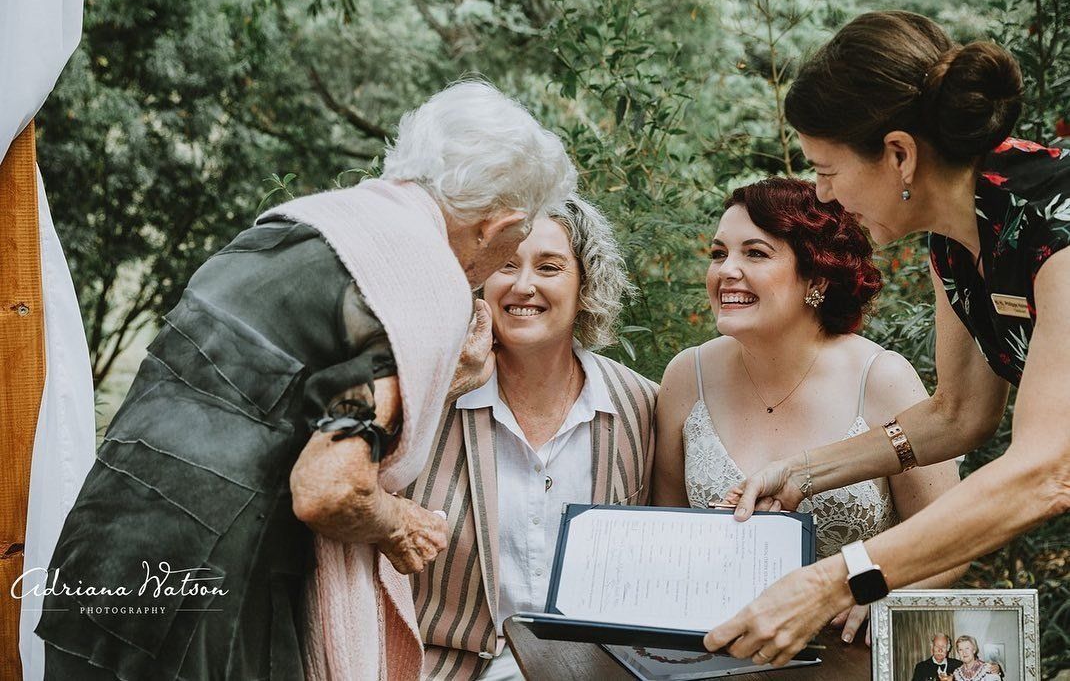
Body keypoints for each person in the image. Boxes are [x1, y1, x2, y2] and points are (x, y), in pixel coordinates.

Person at [35, 81, 576, 681]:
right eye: (512, 245)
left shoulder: (301, 226)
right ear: (494, 225)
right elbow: (328, 490)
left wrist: (440, 378)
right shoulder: (417, 275)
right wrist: (397, 523)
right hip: (211, 588)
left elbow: (286, 392)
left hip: (99, 553)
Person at [703, 10, 1070, 666]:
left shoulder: (1057, 230)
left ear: (899, 153)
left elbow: (1046, 471)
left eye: (827, 170)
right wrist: (805, 472)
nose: (821, 195)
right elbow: (957, 415)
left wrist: (830, 581)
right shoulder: (957, 239)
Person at [653, 178, 965, 647]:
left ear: (817, 278)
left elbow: (951, 541)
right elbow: (667, 528)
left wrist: (886, 593)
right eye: (719, 254)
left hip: (855, 652)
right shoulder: (686, 376)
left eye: (755, 254)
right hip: (719, 653)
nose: (726, 271)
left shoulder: (882, 380)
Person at [406, 196, 658, 680]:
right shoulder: (433, 393)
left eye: (549, 267)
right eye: (506, 264)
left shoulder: (641, 405)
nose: (524, 285)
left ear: (586, 285)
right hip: (445, 669)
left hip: (596, 669)